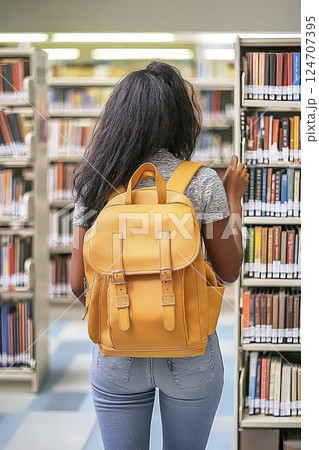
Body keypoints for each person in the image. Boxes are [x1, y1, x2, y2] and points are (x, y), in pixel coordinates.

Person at [71, 61, 248, 450]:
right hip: (190, 353)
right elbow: (230, 269)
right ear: (181, 120)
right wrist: (232, 197)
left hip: (117, 350)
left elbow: (76, 284)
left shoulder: (91, 182)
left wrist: (126, 307)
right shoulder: (200, 182)